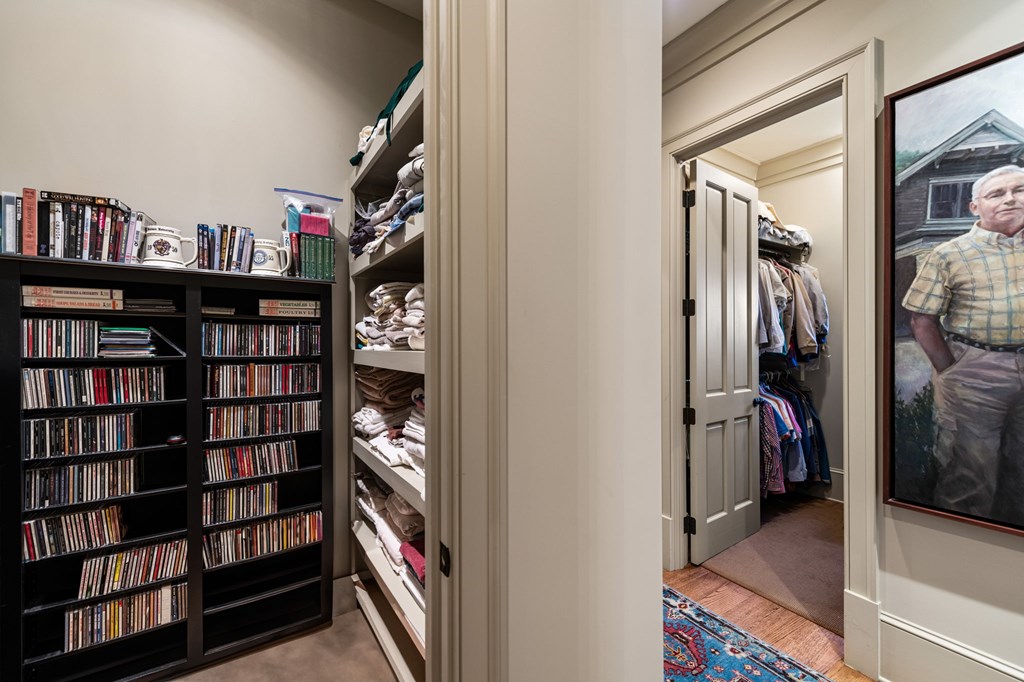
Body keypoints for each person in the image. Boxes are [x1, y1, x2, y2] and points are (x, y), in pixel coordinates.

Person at [902, 164, 1024, 527]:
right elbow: (921, 319)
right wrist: (952, 371)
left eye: (1019, 190)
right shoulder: (948, 254)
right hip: (976, 372)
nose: (1010, 199)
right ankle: (956, 561)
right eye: (996, 194)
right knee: (970, 470)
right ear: (975, 207)